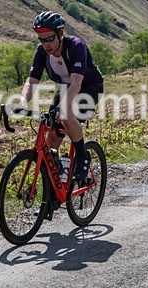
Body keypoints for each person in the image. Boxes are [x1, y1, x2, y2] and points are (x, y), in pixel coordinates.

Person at [20, 11, 104, 182]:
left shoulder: (76, 46)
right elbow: (32, 81)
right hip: (67, 87)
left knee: (65, 116)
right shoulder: (42, 52)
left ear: (60, 34)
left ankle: (83, 157)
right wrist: (21, 103)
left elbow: (76, 84)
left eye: (50, 39)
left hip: (89, 86)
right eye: (42, 40)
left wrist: (62, 108)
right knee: (51, 135)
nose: (46, 44)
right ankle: (54, 185)